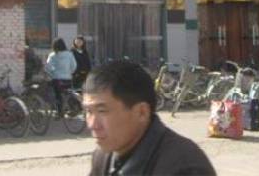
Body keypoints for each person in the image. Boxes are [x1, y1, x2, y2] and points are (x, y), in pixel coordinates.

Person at [84, 59, 216, 176]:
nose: (92, 124)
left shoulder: (185, 167)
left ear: (141, 112)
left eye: (102, 111)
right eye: (88, 111)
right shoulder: (104, 157)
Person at [45, 38, 77, 114]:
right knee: (68, 94)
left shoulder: (52, 55)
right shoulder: (70, 54)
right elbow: (74, 66)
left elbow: (48, 67)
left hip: (57, 79)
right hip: (68, 79)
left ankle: (60, 112)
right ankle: (72, 108)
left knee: (58, 95)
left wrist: (52, 73)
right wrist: (69, 73)